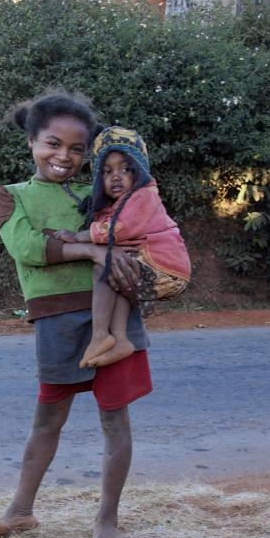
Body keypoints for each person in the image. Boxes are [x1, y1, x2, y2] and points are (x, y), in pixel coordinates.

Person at [0, 90, 150, 538]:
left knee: (116, 421)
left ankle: (107, 521)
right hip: (56, 321)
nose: (64, 157)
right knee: (47, 419)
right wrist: (93, 249)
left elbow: (140, 227)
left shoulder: (101, 191)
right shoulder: (12, 197)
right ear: (31, 141)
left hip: (115, 321)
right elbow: (28, 249)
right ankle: (19, 510)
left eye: (77, 149)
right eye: (53, 144)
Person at [51, 126, 191, 369]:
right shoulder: (117, 204)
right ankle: (120, 340)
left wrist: (78, 236)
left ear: (140, 171)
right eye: (107, 171)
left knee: (103, 267)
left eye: (125, 169)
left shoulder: (144, 196)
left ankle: (100, 335)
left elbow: (117, 230)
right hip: (152, 263)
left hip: (164, 267)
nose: (116, 176)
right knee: (116, 271)